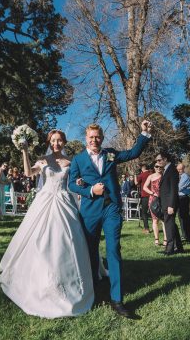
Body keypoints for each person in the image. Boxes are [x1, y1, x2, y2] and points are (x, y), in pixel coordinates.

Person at [0, 130, 94, 318]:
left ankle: (69, 278)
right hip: (44, 201)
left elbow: (75, 181)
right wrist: (24, 151)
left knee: (66, 240)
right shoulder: (43, 160)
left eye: (59, 141)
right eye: (53, 140)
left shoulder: (70, 162)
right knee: (38, 240)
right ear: (49, 142)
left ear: (64, 142)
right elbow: (28, 173)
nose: (56, 143)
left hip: (64, 202)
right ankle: (36, 279)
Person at [68, 120, 152, 319]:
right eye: (91, 137)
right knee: (91, 253)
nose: (94, 140)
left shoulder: (111, 154)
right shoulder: (78, 160)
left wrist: (145, 134)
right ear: (85, 139)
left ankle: (117, 299)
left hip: (111, 209)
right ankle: (93, 293)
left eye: (97, 137)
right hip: (90, 211)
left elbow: (133, 153)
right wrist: (89, 190)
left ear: (102, 138)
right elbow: (72, 184)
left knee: (113, 250)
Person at [158, 150, 184, 256]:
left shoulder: (172, 170)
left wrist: (171, 205)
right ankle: (180, 247)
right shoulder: (167, 169)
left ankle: (170, 248)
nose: (158, 162)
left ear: (165, 159)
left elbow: (173, 189)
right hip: (166, 202)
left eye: (159, 160)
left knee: (169, 226)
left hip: (169, 204)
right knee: (171, 225)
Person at [143, 165, 165, 246]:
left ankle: (166, 240)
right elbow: (145, 187)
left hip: (163, 200)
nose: (158, 168)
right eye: (156, 166)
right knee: (155, 220)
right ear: (154, 167)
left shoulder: (164, 176)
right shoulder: (150, 176)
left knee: (164, 220)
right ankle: (157, 240)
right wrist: (153, 193)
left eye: (160, 167)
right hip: (153, 200)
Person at [176, 163, 190, 242]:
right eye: (178, 169)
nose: (179, 171)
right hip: (179, 198)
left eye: (180, 169)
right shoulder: (178, 177)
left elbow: (179, 188)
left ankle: (189, 236)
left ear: (183, 169)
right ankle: (184, 235)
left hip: (183, 198)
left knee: (185, 217)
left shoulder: (185, 177)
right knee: (181, 217)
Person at [136, 164, 152, 233]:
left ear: (142, 168)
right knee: (154, 211)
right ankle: (157, 226)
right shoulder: (152, 174)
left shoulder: (142, 175)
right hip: (152, 194)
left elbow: (136, 183)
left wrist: (135, 175)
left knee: (144, 212)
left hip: (145, 195)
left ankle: (146, 228)